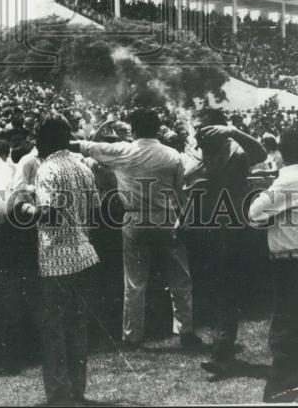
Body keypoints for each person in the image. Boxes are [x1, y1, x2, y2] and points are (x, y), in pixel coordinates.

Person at [74, 110, 201, 350]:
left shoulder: (124, 150)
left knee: (134, 281)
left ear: (134, 129)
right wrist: (182, 220)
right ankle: (185, 331)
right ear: (157, 128)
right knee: (179, 278)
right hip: (165, 217)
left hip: (134, 218)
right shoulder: (171, 154)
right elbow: (179, 193)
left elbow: (85, 146)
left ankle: (132, 336)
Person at [15, 116, 99, 407]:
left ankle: (59, 395)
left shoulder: (48, 169)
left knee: (53, 328)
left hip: (56, 259)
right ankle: (77, 390)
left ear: (45, 142)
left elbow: (49, 214)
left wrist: (24, 206)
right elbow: (96, 208)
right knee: (77, 325)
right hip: (84, 254)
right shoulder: (83, 167)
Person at [183, 108, 267, 379]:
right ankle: (222, 348)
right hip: (202, 227)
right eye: (196, 127)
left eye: (205, 127)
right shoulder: (198, 152)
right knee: (211, 289)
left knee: (226, 290)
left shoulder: (235, 150)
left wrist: (232, 130)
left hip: (229, 229)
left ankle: (221, 352)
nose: (199, 132)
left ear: (218, 128)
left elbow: (260, 154)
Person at [248, 129, 298, 403]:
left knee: (284, 330)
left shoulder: (290, 179)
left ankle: (284, 391)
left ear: (286, 152)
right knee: (297, 328)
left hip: (289, 260)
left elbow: (254, 213)